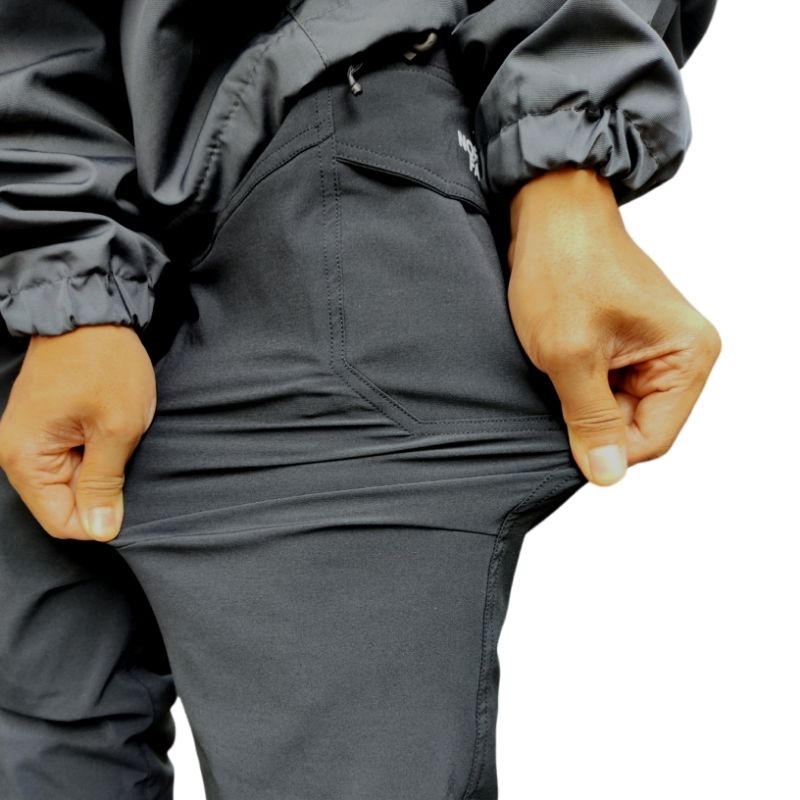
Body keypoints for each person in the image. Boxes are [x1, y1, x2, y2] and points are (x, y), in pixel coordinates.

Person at [0, 1, 720, 798]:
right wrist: (65, 281)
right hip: (59, 246)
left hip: (315, 163)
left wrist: (564, 178)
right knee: (40, 758)